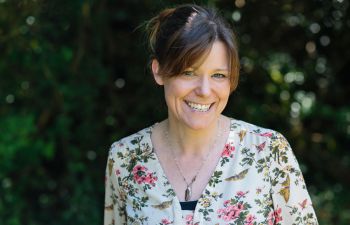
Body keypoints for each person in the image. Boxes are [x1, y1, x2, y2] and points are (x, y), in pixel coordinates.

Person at [104, 4, 318, 225]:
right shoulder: (124, 159)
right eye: (188, 72)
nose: (205, 91)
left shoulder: (269, 152)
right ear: (159, 71)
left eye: (218, 75)